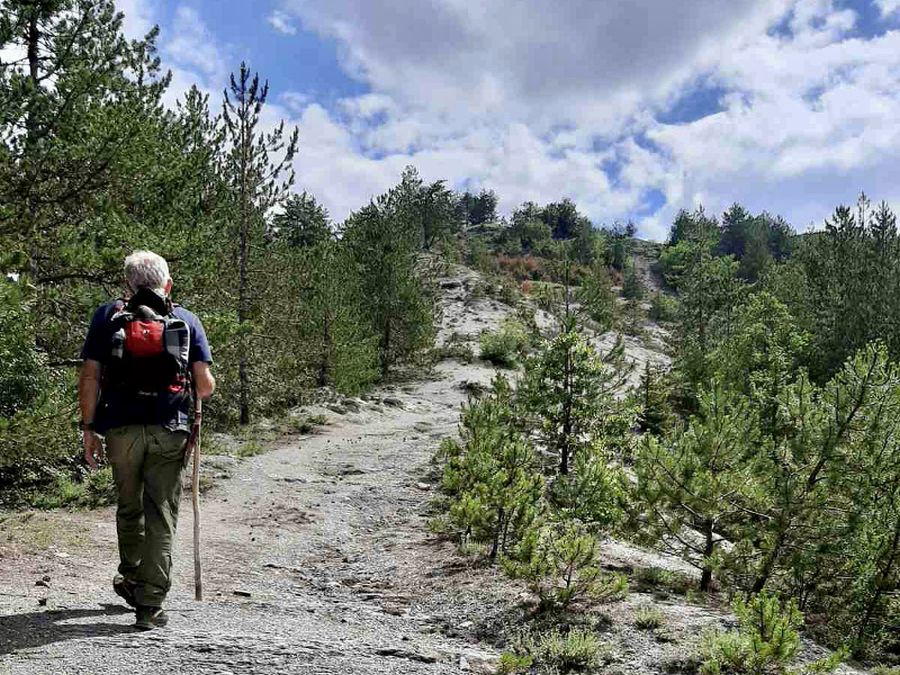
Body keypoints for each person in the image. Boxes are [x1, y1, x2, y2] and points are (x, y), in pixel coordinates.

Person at [78, 250, 215, 630]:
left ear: (128, 284)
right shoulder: (185, 320)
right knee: (162, 514)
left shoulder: (108, 317)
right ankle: (150, 605)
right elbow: (204, 386)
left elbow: (90, 377)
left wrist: (89, 428)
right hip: (170, 428)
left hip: (121, 429)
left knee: (129, 507)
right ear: (166, 284)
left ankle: (132, 576)